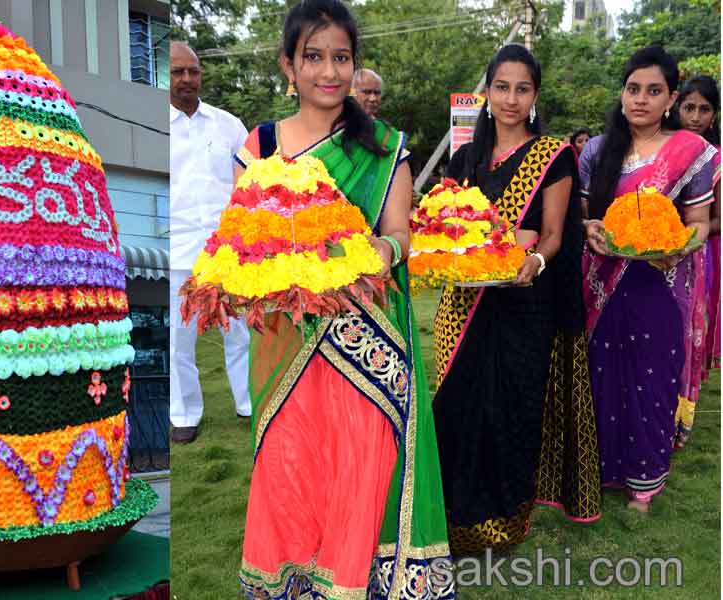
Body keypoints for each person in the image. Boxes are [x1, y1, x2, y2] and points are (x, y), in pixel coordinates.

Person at [235, 2, 454, 598]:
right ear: (288, 65)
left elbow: (400, 233)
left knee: (362, 465)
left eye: (341, 57)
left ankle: (360, 582)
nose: (329, 71)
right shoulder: (262, 144)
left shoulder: (384, 145)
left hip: (367, 328)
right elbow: (242, 237)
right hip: (287, 337)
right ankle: (297, 581)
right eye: (314, 57)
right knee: (292, 463)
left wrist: (375, 253)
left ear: (355, 66)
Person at [434, 44, 600, 555]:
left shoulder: (553, 156)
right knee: (457, 405)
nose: (510, 98)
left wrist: (537, 262)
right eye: (501, 87)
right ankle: (451, 514)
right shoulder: (466, 159)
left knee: (510, 409)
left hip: (525, 303)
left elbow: (552, 234)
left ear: (535, 96)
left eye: (521, 88)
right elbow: (447, 228)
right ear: (487, 92)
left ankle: (503, 517)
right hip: (464, 302)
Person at [582, 47, 718, 512]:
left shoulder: (691, 152)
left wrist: (679, 245)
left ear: (671, 99)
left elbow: (700, 222)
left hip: (659, 283)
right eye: (633, 89)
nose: (640, 99)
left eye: (653, 91)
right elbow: (586, 215)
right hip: (601, 282)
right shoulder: (598, 151)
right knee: (602, 376)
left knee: (651, 379)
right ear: (622, 94)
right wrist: (591, 230)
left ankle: (645, 482)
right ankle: (600, 472)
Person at [169, 41, 251, 444]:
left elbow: (249, 185)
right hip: (177, 250)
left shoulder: (228, 125)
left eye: (193, 71)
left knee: (241, 331)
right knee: (179, 339)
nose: (187, 79)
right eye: (177, 72)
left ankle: (249, 403)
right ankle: (184, 414)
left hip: (227, 250)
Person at [671, 75, 722, 448]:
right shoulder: (668, 149)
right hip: (650, 252)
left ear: (714, 114)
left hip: (697, 255)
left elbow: (719, 217)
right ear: (677, 107)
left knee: (688, 332)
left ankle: (680, 418)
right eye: (689, 107)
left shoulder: (715, 159)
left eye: (704, 109)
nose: (695, 116)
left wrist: (690, 230)